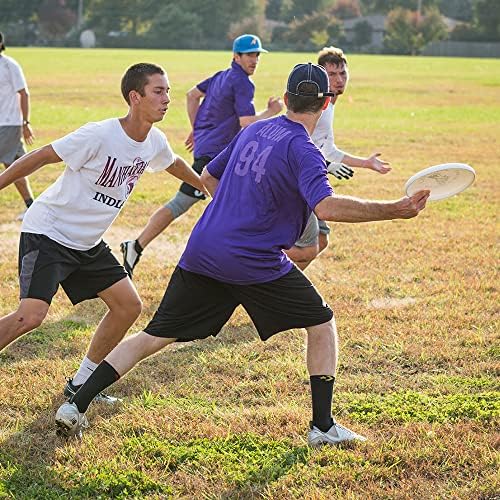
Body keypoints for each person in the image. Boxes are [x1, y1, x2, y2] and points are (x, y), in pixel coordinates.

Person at [55, 63, 429, 445]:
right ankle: (322, 426)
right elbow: (327, 208)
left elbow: (208, 176)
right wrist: (393, 209)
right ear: (326, 103)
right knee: (321, 323)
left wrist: (236, 212)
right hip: (252, 260)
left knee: (153, 335)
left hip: (203, 249)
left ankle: (76, 403)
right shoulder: (305, 149)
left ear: (285, 99)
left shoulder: (256, 130)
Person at [0, 62, 208, 403]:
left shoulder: (153, 141)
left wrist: (206, 190)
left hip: (87, 243)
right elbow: (40, 156)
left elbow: (173, 163)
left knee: (128, 306)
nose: (167, 99)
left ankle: (82, 383)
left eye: (168, 91)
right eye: (159, 91)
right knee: (31, 315)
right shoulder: (99, 135)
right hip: (49, 233)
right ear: (135, 97)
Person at [120, 34, 283, 277]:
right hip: (215, 157)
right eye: (250, 55)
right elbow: (247, 125)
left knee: (231, 204)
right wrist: (272, 112)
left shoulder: (221, 76)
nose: (255, 60)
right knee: (187, 203)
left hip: (212, 150)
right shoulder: (243, 83)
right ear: (236, 56)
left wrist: (198, 129)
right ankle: (136, 246)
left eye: (257, 55)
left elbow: (191, 95)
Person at [286, 46, 391, 270]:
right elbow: (297, 145)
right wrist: (327, 165)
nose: (339, 80)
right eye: (331, 75)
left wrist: (366, 163)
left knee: (320, 240)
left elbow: (328, 148)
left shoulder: (329, 106)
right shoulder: (318, 109)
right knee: (305, 247)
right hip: (298, 181)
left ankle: (283, 282)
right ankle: (268, 270)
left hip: (306, 179)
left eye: (342, 73)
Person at [0, 31, 36, 220]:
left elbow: (24, 93)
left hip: (8, 124)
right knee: (13, 167)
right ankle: (31, 205)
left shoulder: (9, 66)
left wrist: (25, 123)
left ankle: (32, 206)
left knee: (13, 167)